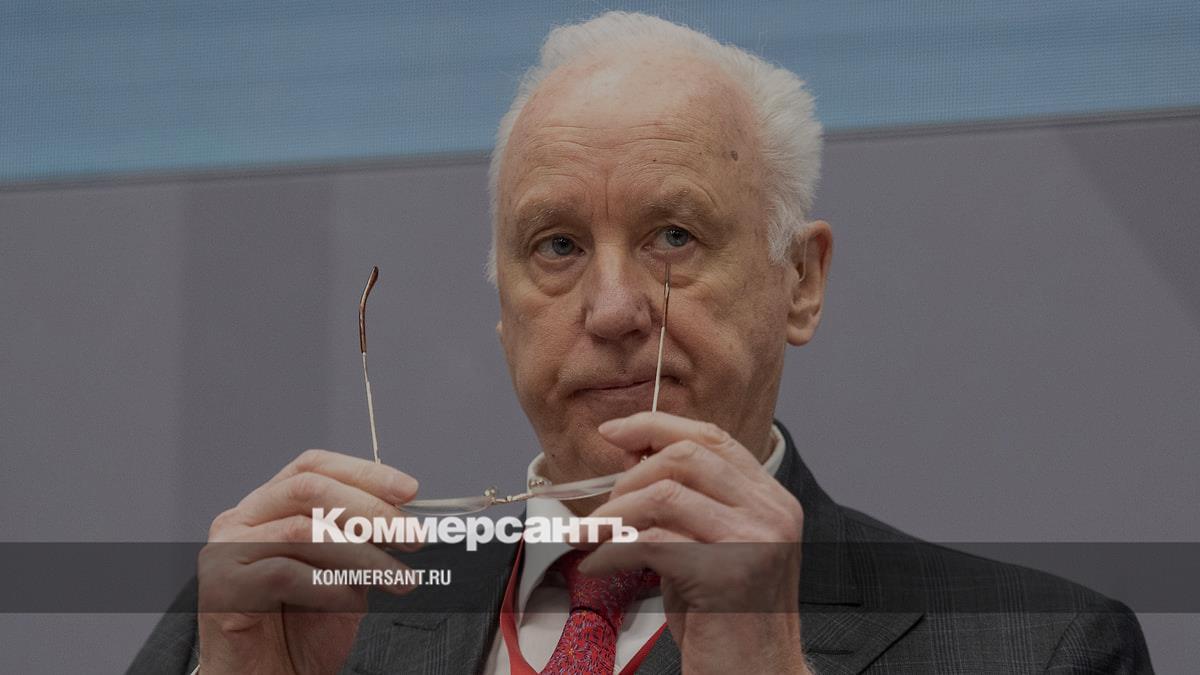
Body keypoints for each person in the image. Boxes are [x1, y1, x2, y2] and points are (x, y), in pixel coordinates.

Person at [132, 11, 1152, 674]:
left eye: (673, 237)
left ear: (800, 281)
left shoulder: (1039, 650)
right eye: (558, 246)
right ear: (503, 306)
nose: (614, 309)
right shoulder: (268, 616)